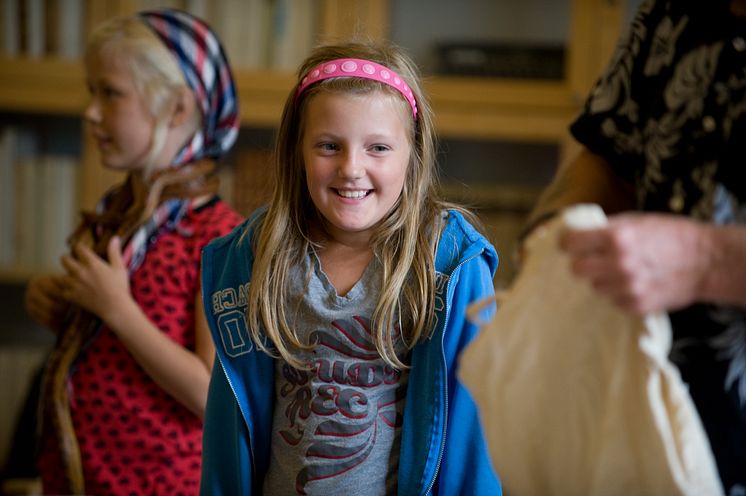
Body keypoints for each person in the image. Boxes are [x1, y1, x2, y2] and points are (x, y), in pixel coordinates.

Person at [198, 41, 502, 495]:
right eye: (328, 146)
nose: (351, 168)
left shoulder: (448, 266)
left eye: (378, 147)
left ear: (412, 155)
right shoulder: (256, 257)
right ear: (297, 151)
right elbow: (227, 436)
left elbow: (475, 434)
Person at [525, 0, 746, 493]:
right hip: (630, 430)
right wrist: (552, 230)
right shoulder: (667, 9)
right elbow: (607, 157)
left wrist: (705, 261)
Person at [23, 9, 243, 495]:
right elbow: (108, 346)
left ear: (178, 109)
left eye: (111, 93)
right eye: (91, 90)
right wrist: (60, 303)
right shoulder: (119, 217)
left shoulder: (219, 239)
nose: (91, 111)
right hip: (79, 478)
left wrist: (117, 310)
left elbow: (214, 397)